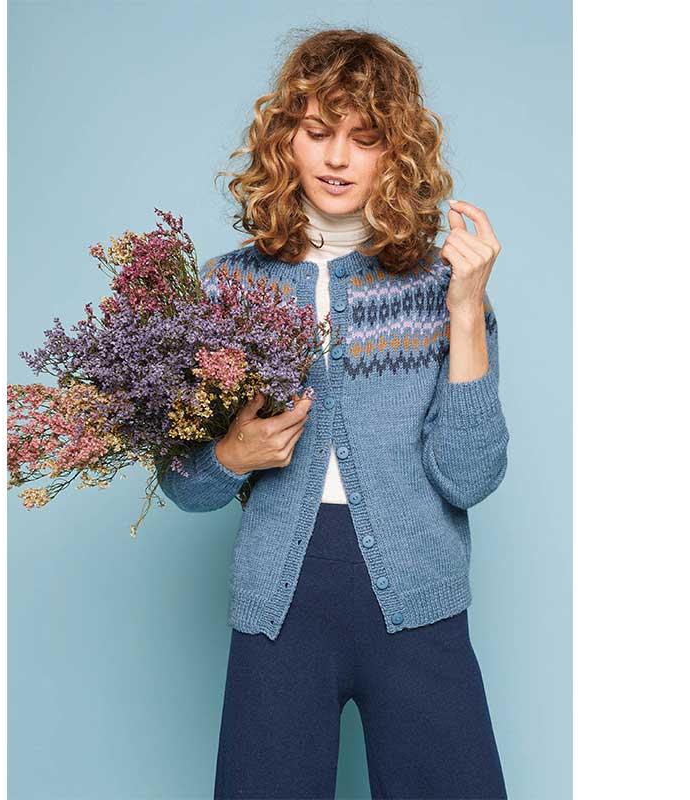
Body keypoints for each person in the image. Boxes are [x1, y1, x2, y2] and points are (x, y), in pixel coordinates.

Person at [159, 28, 509, 800]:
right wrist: (232, 456)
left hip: (418, 598)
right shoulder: (226, 287)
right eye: (318, 131)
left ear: (397, 152)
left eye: (365, 137)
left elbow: (470, 475)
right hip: (279, 607)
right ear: (284, 137)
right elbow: (183, 484)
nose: (338, 158)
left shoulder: (441, 285)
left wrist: (465, 310)